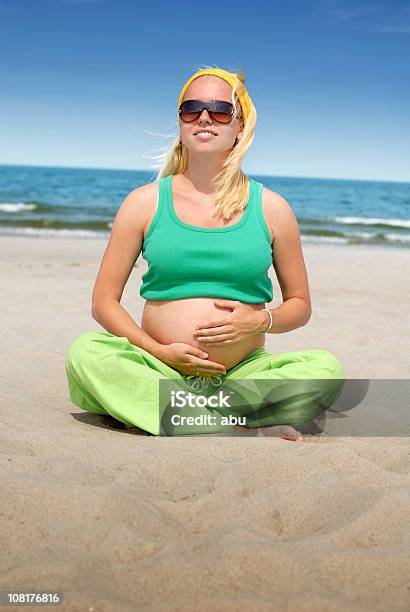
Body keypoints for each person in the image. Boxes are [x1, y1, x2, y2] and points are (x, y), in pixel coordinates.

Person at [65, 65, 344, 442]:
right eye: (191, 108)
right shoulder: (143, 203)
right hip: (159, 367)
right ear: (181, 122)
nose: (204, 118)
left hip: (242, 374)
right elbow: (103, 303)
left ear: (240, 127)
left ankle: (176, 414)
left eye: (220, 109)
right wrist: (157, 351)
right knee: (87, 352)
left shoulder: (272, 208)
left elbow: (300, 304)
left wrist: (258, 321)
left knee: (325, 369)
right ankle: (231, 423)